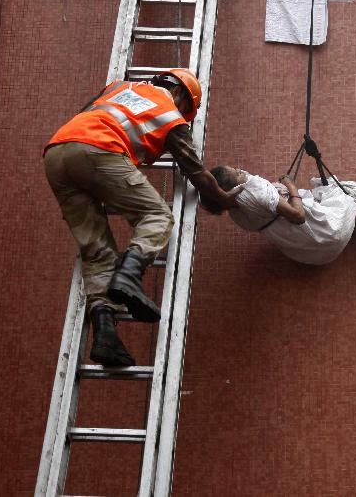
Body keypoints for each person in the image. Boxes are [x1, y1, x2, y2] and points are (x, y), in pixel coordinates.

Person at [44, 70, 243, 368]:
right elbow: (197, 173)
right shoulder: (171, 115)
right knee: (157, 215)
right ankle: (129, 276)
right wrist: (223, 199)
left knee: (96, 249)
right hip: (100, 150)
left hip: (57, 154)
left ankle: (105, 335)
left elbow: (86, 114)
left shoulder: (118, 87)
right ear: (181, 97)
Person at [206, 166, 356, 266]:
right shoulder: (257, 192)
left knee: (344, 210)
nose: (240, 170)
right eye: (236, 172)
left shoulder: (235, 212)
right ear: (230, 186)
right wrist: (290, 186)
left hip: (311, 252)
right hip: (319, 229)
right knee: (351, 192)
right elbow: (298, 216)